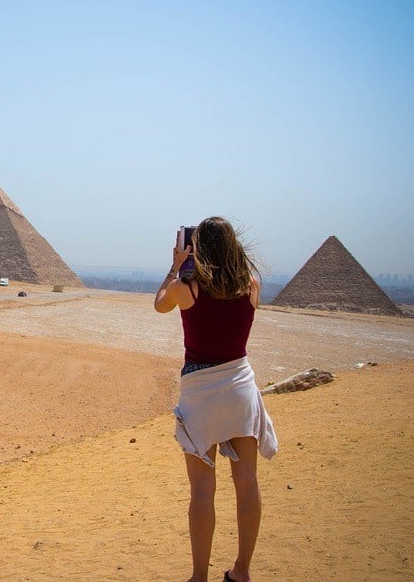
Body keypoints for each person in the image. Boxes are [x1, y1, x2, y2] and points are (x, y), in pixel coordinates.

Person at [153, 217, 278, 582]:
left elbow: (160, 304)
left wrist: (175, 267)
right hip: (240, 388)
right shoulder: (252, 284)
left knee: (203, 490)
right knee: (247, 483)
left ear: (197, 247)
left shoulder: (185, 289)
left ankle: (198, 577)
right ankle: (242, 571)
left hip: (201, 393)